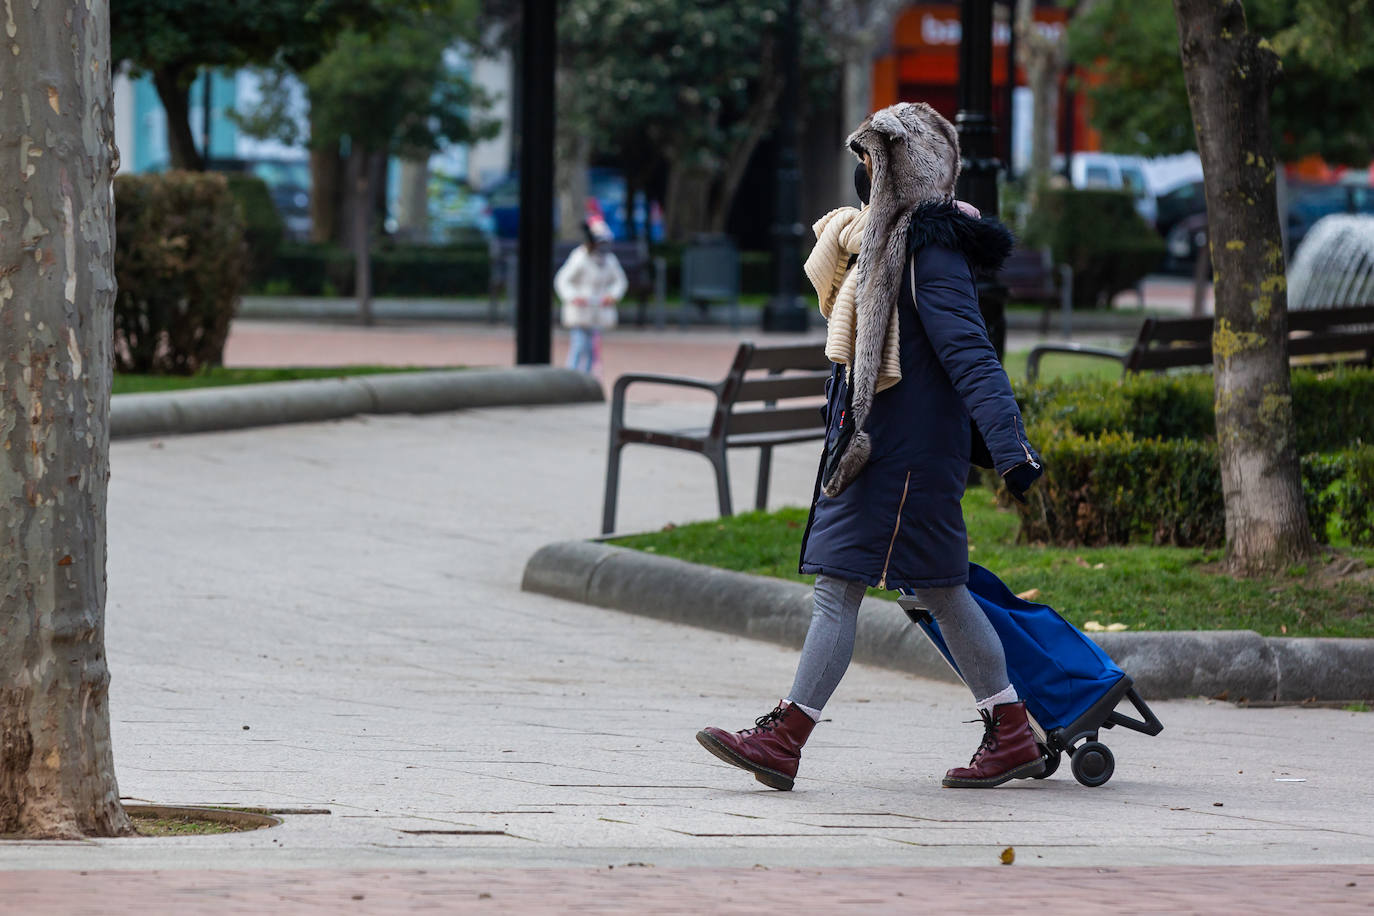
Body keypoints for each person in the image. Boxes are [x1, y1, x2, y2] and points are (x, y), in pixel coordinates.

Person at [696, 102, 1045, 791]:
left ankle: (787, 738)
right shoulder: (877, 243)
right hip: (888, 448)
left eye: (872, 161)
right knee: (942, 592)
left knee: (839, 592)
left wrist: (1012, 451)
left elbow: (972, 354)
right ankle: (1009, 732)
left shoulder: (925, 250)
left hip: (900, 456)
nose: (861, 172)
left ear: (900, 170)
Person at [555, 218, 626, 376]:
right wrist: (573, 296)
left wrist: (612, 295)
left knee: (593, 348)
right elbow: (563, 280)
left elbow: (619, 281)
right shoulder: (579, 258)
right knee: (579, 345)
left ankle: (587, 378)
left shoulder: (609, 260)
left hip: (597, 311)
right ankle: (572, 376)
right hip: (581, 310)